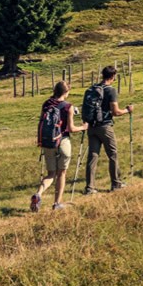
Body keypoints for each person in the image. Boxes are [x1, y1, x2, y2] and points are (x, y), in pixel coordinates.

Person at [31, 80, 85, 212]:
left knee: (51, 174)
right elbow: (71, 128)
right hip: (63, 141)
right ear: (66, 92)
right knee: (62, 173)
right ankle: (57, 203)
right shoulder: (68, 106)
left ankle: (38, 194)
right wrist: (83, 127)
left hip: (48, 142)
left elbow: (41, 122)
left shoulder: (46, 104)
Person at [83, 65, 133, 194]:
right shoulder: (111, 90)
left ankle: (89, 187)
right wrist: (127, 110)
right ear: (113, 76)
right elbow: (115, 112)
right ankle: (116, 183)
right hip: (105, 126)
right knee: (113, 154)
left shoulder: (93, 89)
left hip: (92, 126)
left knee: (93, 156)